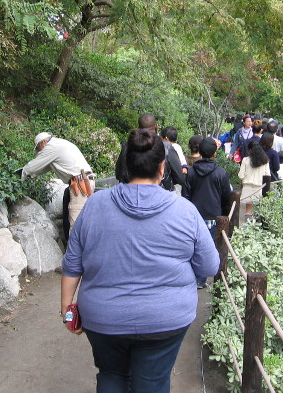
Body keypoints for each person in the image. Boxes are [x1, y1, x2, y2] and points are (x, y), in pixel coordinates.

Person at [61, 129, 219, 393]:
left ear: (125, 165)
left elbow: (72, 263)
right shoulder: (185, 211)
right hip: (166, 318)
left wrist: (67, 310)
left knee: (111, 374)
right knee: (153, 381)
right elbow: (209, 266)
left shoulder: (96, 205)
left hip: (103, 317)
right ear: (162, 168)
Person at [21, 132, 94, 241]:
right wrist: (31, 175)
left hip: (79, 185)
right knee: (79, 220)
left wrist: (20, 174)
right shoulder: (60, 144)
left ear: (44, 142)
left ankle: (74, 256)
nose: (40, 151)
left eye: (39, 148)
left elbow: (33, 166)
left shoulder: (51, 147)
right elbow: (43, 167)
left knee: (75, 225)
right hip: (85, 182)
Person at [182, 137, 231, 288]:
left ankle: (196, 277)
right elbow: (226, 197)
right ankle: (201, 278)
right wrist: (224, 214)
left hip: (194, 215)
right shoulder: (221, 173)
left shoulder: (190, 172)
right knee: (207, 248)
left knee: (193, 246)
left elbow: (185, 195)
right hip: (213, 216)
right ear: (214, 153)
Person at [115, 113, 185, 191]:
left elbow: (119, 173)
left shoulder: (128, 145)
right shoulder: (166, 147)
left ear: (138, 127)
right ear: (156, 126)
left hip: (130, 194)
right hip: (162, 194)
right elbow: (180, 177)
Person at [238, 140, 270, 216]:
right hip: (259, 188)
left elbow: (241, 175)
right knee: (258, 211)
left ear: (250, 150)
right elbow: (267, 175)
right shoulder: (265, 161)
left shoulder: (245, 160)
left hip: (247, 188)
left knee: (248, 210)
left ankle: (247, 226)